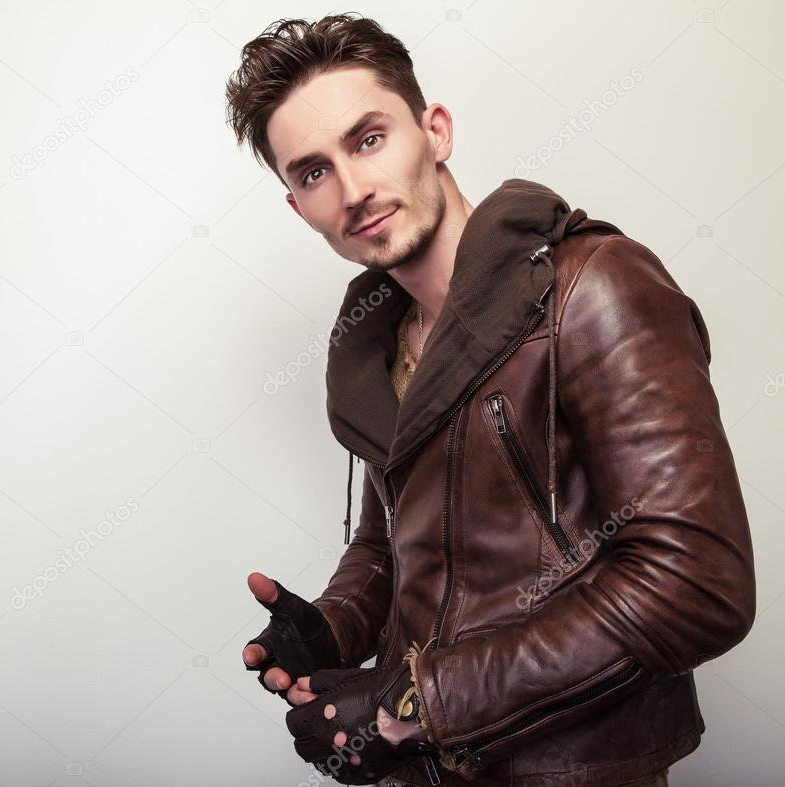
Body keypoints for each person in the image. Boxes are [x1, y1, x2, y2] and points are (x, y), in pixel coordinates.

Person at [226, 13, 756, 787]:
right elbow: (392, 547)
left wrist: (418, 700)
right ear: (296, 206)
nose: (353, 189)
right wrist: (332, 627)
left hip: (573, 769)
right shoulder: (378, 345)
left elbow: (697, 579)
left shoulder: (591, 288)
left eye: (368, 139)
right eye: (311, 172)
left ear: (434, 130)